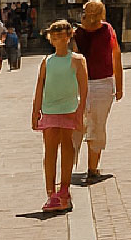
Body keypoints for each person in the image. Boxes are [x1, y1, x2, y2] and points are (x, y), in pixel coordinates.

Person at [31, 20, 88, 213]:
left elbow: (84, 88)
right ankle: (50, 192)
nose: (56, 40)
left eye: (60, 36)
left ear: (68, 36)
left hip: (70, 109)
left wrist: (81, 111)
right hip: (49, 109)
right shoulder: (47, 61)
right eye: (53, 37)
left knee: (67, 148)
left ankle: (64, 188)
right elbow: (40, 86)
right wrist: (35, 111)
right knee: (50, 151)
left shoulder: (78, 60)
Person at [70, 0, 123, 184]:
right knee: (98, 125)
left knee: (77, 126)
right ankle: (92, 168)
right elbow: (116, 56)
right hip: (103, 83)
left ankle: (68, 167)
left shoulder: (76, 33)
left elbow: (72, 61)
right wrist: (120, 85)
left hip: (79, 84)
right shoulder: (107, 29)